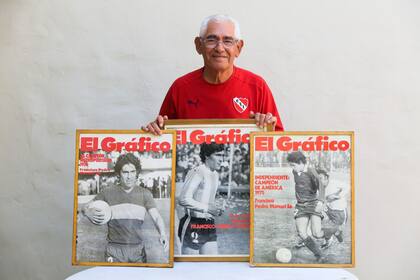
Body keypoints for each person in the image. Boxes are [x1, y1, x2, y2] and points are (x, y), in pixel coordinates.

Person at [142, 14, 284, 134]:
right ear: (199, 45)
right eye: (211, 40)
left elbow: (278, 141)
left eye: (228, 41)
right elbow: (165, 136)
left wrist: (267, 127)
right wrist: (154, 133)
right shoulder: (180, 88)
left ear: (238, 48)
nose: (220, 48)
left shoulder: (256, 86)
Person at [83, 153, 168, 263]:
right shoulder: (107, 192)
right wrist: (88, 212)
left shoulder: (145, 194)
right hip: (114, 250)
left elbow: (156, 217)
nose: (129, 176)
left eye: (132, 172)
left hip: (138, 250)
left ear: (137, 173)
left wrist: (162, 234)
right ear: (119, 174)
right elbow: (85, 207)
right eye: (125, 172)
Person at [177, 143, 225, 255]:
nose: (221, 159)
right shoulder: (198, 171)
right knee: (191, 268)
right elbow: (183, 199)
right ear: (207, 156)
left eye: (222, 155)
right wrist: (207, 209)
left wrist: (219, 205)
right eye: (218, 155)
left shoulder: (215, 175)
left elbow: (207, 196)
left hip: (209, 224)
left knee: (212, 266)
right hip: (193, 224)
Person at [286, 151, 326, 262]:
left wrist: (321, 201)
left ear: (300, 163)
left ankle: (334, 231)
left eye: (293, 165)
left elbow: (321, 186)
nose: (292, 168)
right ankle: (319, 254)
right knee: (302, 233)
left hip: (313, 204)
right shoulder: (295, 172)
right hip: (300, 206)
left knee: (316, 233)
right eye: (291, 166)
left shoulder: (311, 171)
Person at [317, 169, 348, 249]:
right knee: (324, 225)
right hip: (329, 211)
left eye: (320, 178)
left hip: (340, 212)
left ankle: (330, 239)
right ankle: (337, 235)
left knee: (326, 230)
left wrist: (338, 196)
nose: (319, 181)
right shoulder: (319, 188)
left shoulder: (334, 183)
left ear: (326, 178)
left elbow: (347, 186)